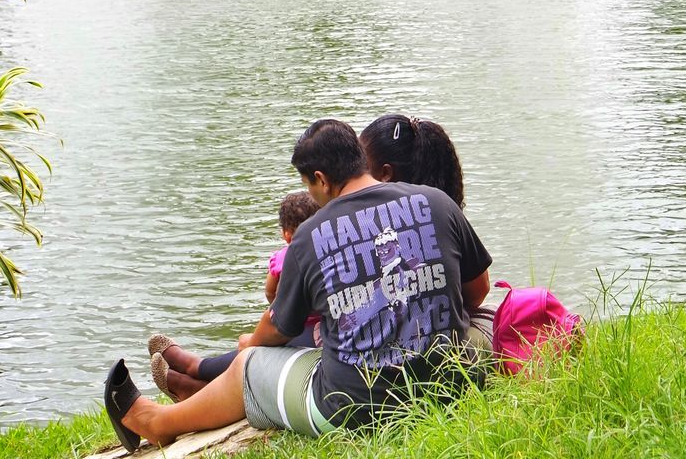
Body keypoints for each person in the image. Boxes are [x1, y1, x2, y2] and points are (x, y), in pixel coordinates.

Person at [104, 119, 492, 450]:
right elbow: (476, 293)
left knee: (250, 365)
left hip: (351, 409)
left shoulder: (310, 235)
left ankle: (157, 422)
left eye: (308, 185)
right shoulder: (436, 202)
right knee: (481, 329)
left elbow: (278, 328)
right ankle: (196, 392)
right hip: (451, 385)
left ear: (320, 179)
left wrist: (249, 345)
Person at [148, 190, 320, 400]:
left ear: (286, 234)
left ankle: (196, 369)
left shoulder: (285, 257)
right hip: (314, 328)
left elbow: (269, 292)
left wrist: (258, 335)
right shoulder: (324, 251)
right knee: (259, 342)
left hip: (306, 330)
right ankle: (198, 383)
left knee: (254, 347)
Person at [360, 114, 465, 208]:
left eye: (363, 165)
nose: (356, 172)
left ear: (386, 174)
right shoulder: (446, 214)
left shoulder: (370, 223)